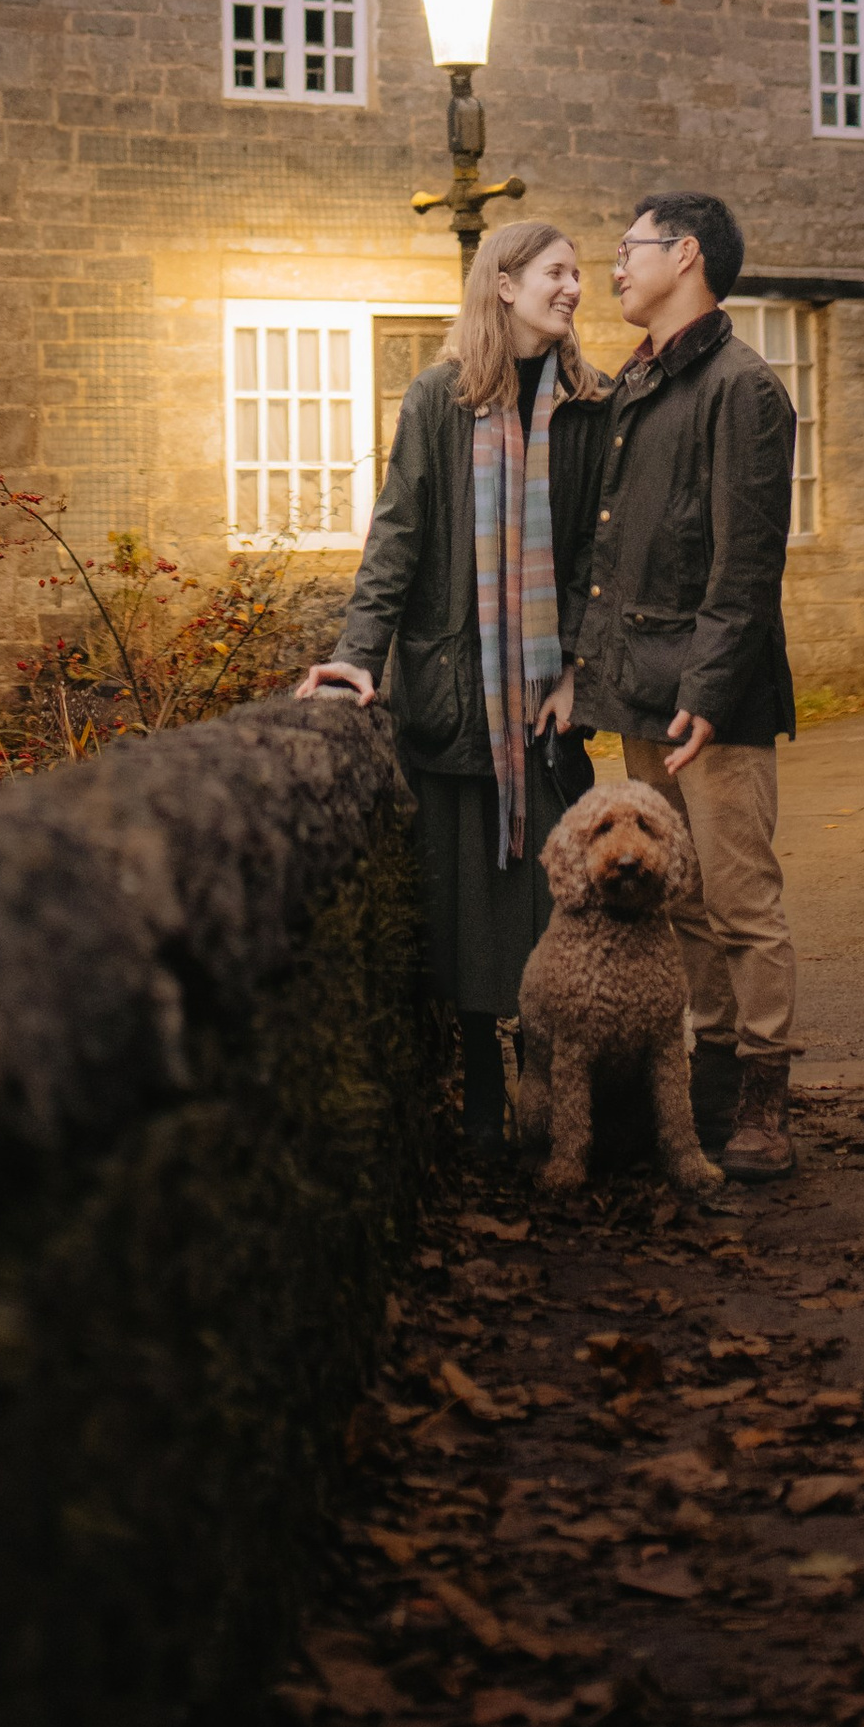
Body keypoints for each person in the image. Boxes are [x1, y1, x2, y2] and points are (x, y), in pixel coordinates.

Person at [298, 220, 608, 1158]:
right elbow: (397, 531)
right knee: (470, 916)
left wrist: (580, 676)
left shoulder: (589, 404)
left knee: (552, 913)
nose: (574, 289)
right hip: (456, 696)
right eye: (557, 273)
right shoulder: (440, 398)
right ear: (504, 284)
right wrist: (359, 651)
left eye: (580, 275)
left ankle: (549, 1100)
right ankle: (480, 1098)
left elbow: (600, 556)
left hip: (547, 705)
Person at [568, 187, 800, 1181]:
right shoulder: (638, 384)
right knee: (677, 900)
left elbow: (745, 565)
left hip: (714, 699)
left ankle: (763, 1091)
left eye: (630, 248)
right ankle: (704, 1077)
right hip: (638, 688)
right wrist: (588, 677)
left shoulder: (743, 389)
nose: (615, 267)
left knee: (742, 903)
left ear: (687, 255)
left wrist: (703, 694)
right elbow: (614, 552)